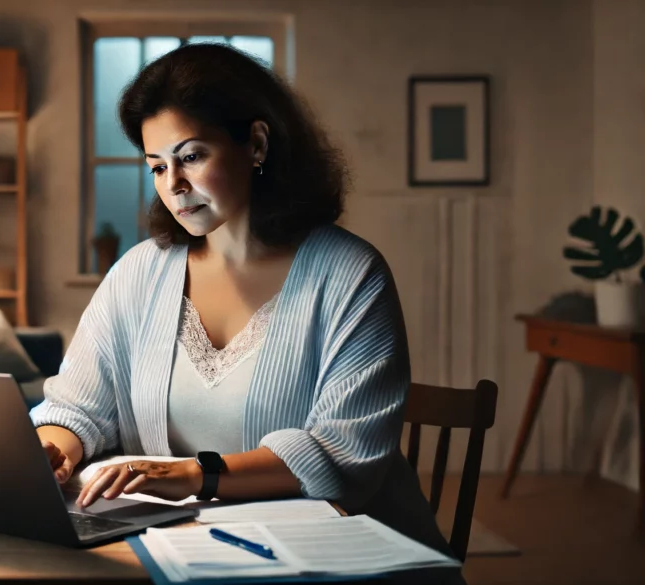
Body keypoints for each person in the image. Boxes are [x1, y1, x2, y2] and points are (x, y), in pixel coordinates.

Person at [31, 43, 450, 556]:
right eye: (157, 167)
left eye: (191, 157)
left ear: (256, 143)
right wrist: (54, 448)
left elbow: (343, 452)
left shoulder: (350, 274)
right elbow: (78, 406)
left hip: (340, 552)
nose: (174, 186)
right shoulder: (138, 273)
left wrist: (191, 475)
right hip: (188, 547)